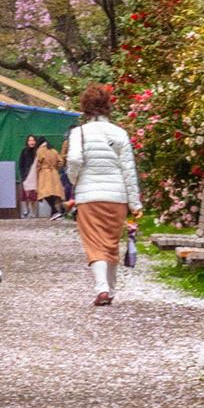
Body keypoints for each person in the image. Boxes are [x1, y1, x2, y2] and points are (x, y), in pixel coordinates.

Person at [63, 84, 142, 306]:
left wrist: (73, 179)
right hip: (116, 196)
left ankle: (102, 289)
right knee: (111, 243)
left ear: (85, 107)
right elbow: (128, 170)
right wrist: (134, 202)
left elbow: (75, 160)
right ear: (108, 106)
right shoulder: (120, 133)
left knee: (94, 244)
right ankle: (112, 289)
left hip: (90, 196)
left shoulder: (79, 133)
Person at [33, 135, 65, 219]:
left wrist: (37, 171)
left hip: (44, 173)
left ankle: (54, 211)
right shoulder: (54, 151)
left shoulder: (40, 151)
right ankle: (54, 213)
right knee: (54, 193)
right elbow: (60, 161)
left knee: (44, 193)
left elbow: (38, 163)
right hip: (54, 173)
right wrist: (55, 168)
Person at [18, 135, 42, 218]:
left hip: (35, 176)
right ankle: (26, 209)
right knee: (26, 195)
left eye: (33, 140)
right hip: (26, 175)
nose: (32, 142)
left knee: (33, 195)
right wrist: (23, 175)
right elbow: (21, 164)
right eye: (30, 140)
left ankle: (33, 211)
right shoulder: (24, 152)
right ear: (27, 142)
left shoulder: (38, 152)